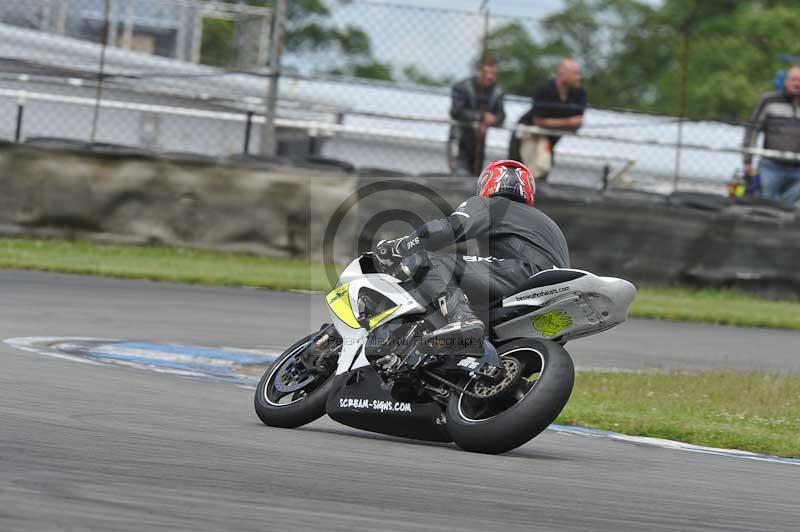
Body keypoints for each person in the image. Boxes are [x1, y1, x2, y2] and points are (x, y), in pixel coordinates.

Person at [374, 160, 570, 353]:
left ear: (487, 182)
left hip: (523, 274)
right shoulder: (549, 223)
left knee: (427, 261)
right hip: (556, 292)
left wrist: (399, 247)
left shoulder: (492, 204)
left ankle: (462, 317)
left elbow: (445, 230)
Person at [509, 59, 587, 177]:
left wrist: (558, 123)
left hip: (548, 139)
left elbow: (577, 122)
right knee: (518, 172)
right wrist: (567, 122)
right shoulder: (545, 89)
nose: (578, 77)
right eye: (574, 73)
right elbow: (538, 120)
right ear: (562, 74)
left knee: (542, 169)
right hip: (527, 135)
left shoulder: (578, 93)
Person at [742, 65, 800, 204]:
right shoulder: (768, 100)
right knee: (765, 206)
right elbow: (753, 129)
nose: (797, 84)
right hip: (771, 166)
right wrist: (747, 160)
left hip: (798, 168)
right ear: (785, 81)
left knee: (791, 209)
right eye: (794, 79)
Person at [448, 54, 506, 176]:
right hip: (460, 138)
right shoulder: (462, 87)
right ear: (478, 72)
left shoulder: (497, 90)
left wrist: (493, 120)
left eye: (493, 74)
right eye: (487, 73)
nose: (490, 77)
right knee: (460, 175)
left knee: (476, 176)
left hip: (479, 142)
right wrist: (481, 116)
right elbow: (456, 111)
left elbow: (501, 115)